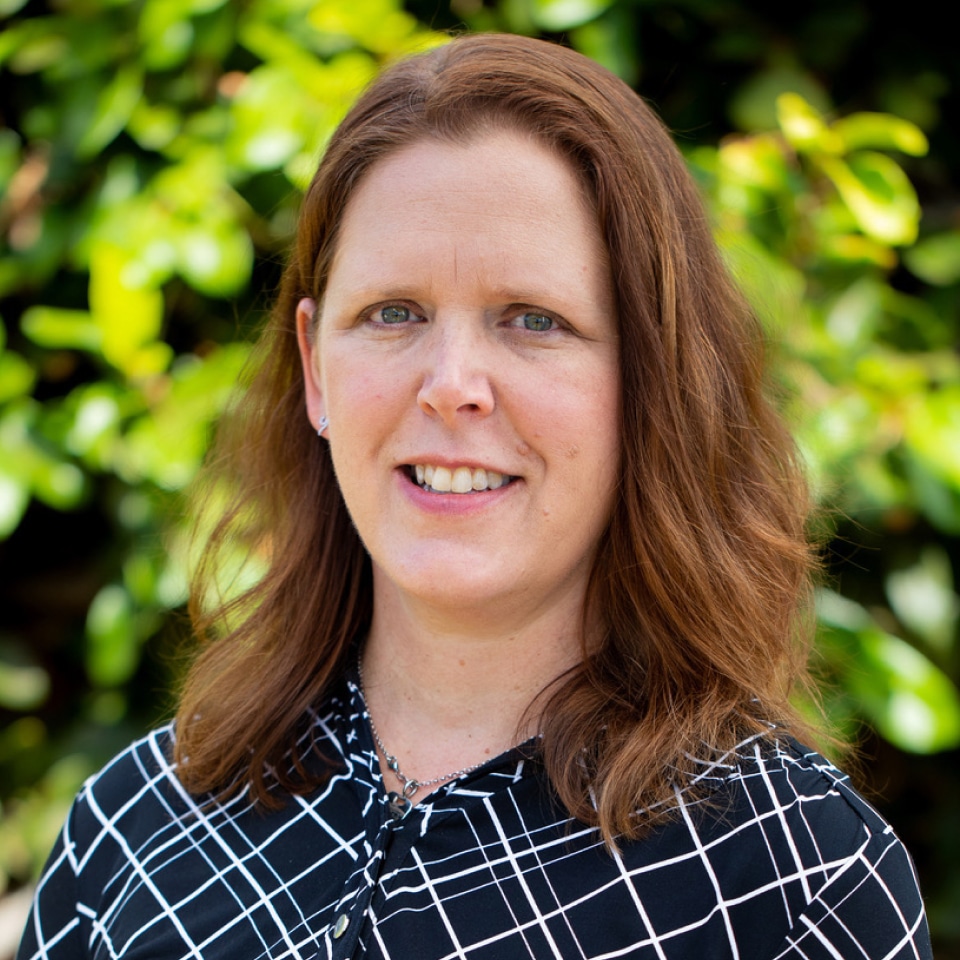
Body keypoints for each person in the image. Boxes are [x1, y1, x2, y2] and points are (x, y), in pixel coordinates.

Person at [18, 33, 931, 960]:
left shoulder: (798, 882)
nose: (451, 384)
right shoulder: (133, 829)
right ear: (314, 366)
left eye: (534, 320)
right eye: (393, 314)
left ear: (653, 383)